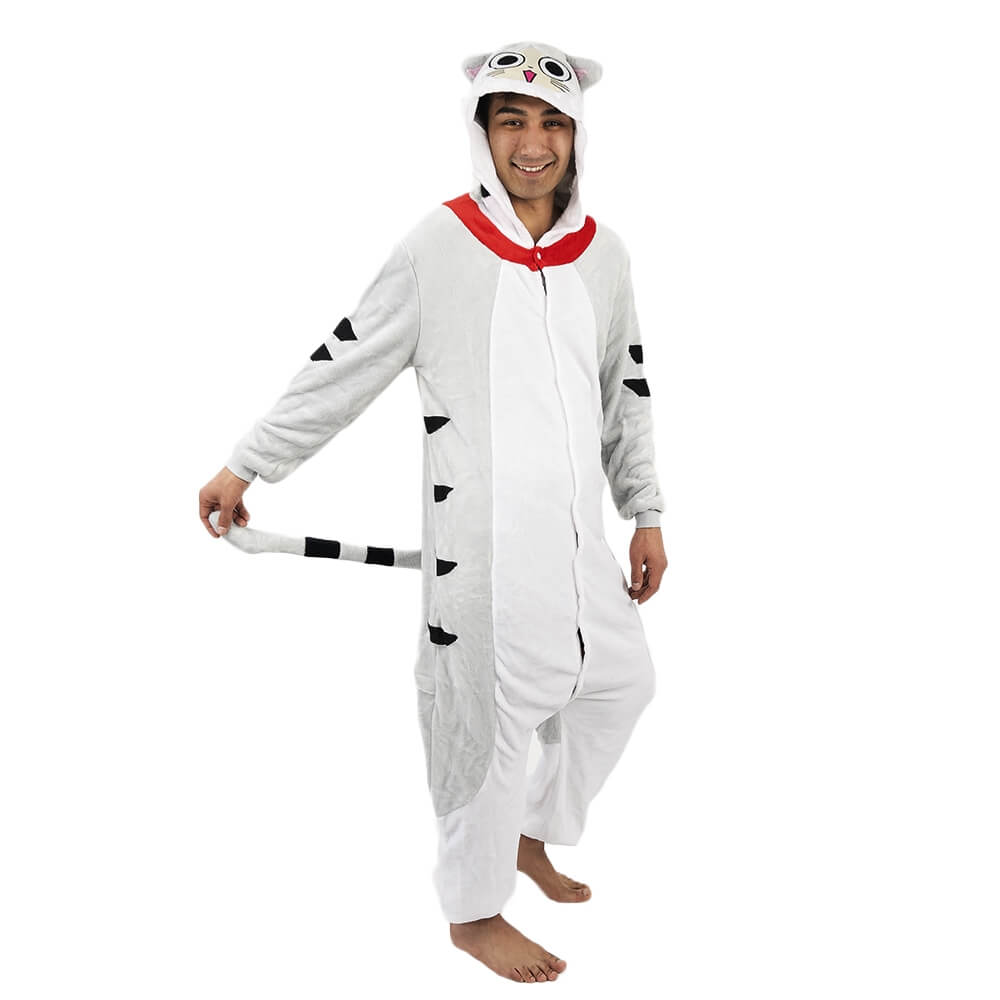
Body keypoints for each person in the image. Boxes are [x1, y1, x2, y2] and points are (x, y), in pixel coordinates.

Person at [198, 39, 668, 983]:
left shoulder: (604, 255)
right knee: (479, 733)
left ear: (577, 136)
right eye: (512, 121)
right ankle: (474, 912)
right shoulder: (438, 245)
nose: (532, 143)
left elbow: (626, 390)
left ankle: (533, 836)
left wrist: (645, 511)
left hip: (582, 547)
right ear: (481, 134)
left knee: (621, 686)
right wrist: (249, 463)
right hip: (483, 558)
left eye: (552, 123)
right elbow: (347, 360)